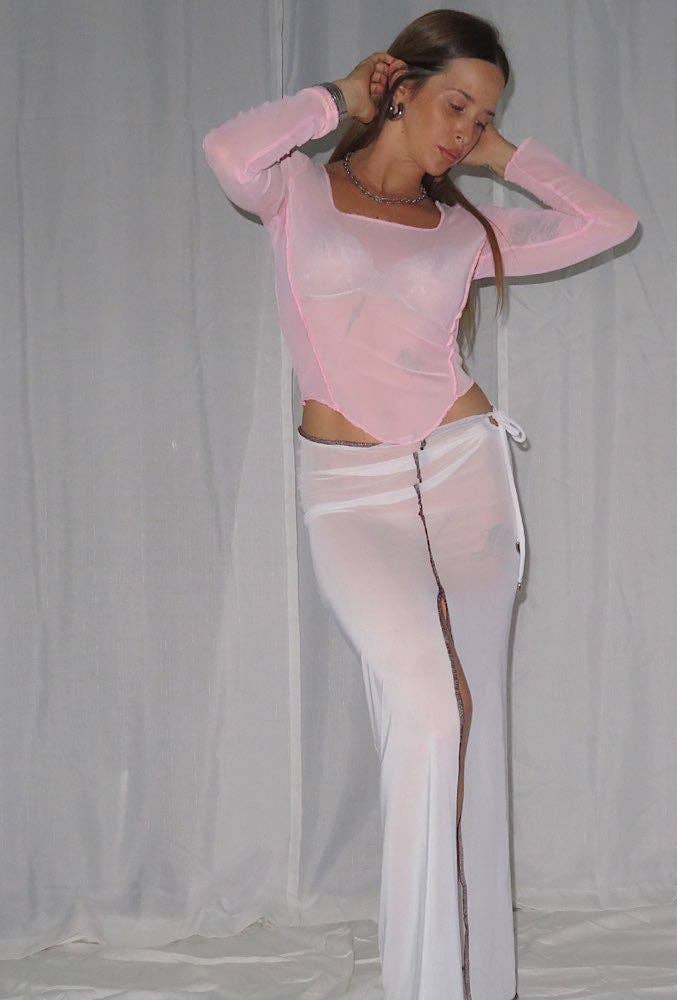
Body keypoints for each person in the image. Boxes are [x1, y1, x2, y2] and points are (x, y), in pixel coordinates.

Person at [202, 9, 638, 1000]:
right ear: (398, 87)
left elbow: (608, 223)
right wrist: (333, 99)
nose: (465, 128)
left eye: (483, 114)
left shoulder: (466, 230)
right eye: (455, 104)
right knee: (430, 717)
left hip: (465, 481)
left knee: (470, 729)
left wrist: (504, 157)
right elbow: (227, 151)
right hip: (352, 496)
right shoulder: (296, 190)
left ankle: (480, 983)